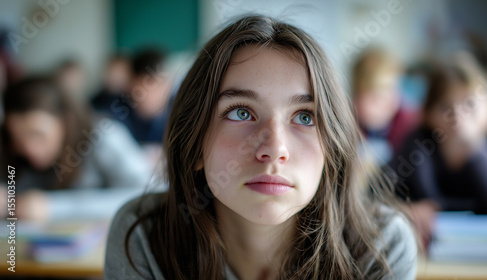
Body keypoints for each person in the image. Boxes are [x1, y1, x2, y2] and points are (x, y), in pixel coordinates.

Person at [105, 15, 417, 279]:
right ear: (195, 142)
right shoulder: (144, 237)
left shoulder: (382, 246)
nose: (274, 149)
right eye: (241, 113)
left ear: (331, 150)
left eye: (305, 116)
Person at [0, 76, 154, 221]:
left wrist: (52, 207)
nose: (29, 148)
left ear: (66, 122)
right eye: (18, 138)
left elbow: (147, 195)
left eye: (37, 135)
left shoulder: (104, 136)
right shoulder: (13, 152)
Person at [390, 52, 487, 248]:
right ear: (428, 114)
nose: (458, 116)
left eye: (470, 104)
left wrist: (476, 148)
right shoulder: (417, 146)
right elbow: (372, 195)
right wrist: (405, 210)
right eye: (445, 107)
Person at [352, 49, 420, 166]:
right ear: (356, 96)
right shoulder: (346, 123)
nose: (387, 101)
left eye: (393, 91)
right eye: (375, 96)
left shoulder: (410, 125)